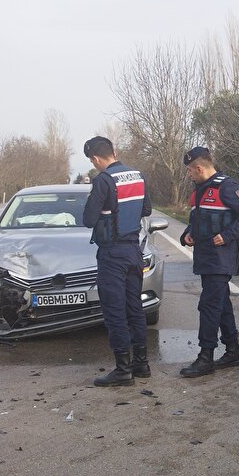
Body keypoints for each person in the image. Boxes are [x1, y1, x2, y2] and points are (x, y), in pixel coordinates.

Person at [179, 146, 239, 378]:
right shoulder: (199, 190)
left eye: (189, 171)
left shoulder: (227, 186)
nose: (188, 175)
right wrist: (186, 235)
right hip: (205, 258)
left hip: (220, 258)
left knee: (209, 305)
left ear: (199, 167)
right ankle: (233, 352)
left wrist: (228, 235)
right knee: (221, 305)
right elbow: (196, 220)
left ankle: (206, 357)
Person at [82, 136, 154, 387]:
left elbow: (89, 219)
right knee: (134, 308)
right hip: (134, 251)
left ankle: (123, 370)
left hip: (112, 253)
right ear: (114, 151)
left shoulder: (103, 180)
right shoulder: (139, 176)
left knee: (114, 311)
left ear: (96, 159)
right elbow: (146, 210)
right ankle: (141, 364)